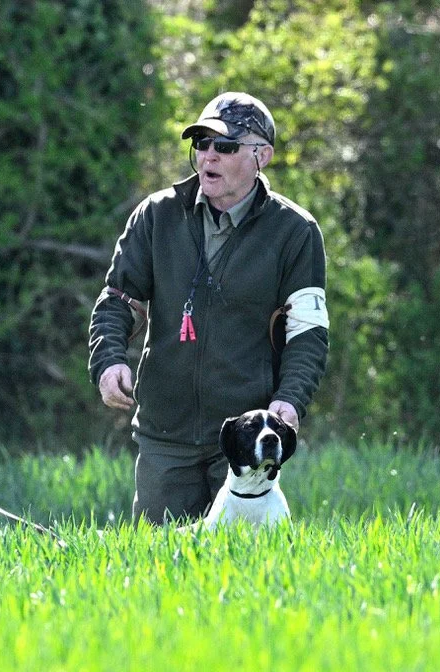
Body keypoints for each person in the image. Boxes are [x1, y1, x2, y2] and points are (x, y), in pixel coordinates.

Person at [88, 91, 329, 525]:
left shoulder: (295, 232)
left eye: (226, 146)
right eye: (201, 143)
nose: (208, 156)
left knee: (245, 576)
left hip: (245, 442)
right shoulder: (156, 215)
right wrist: (107, 361)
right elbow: (118, 298)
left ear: (262, 156)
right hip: (165, 434)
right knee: (156, 570)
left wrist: (290, 400)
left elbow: (308, 332)